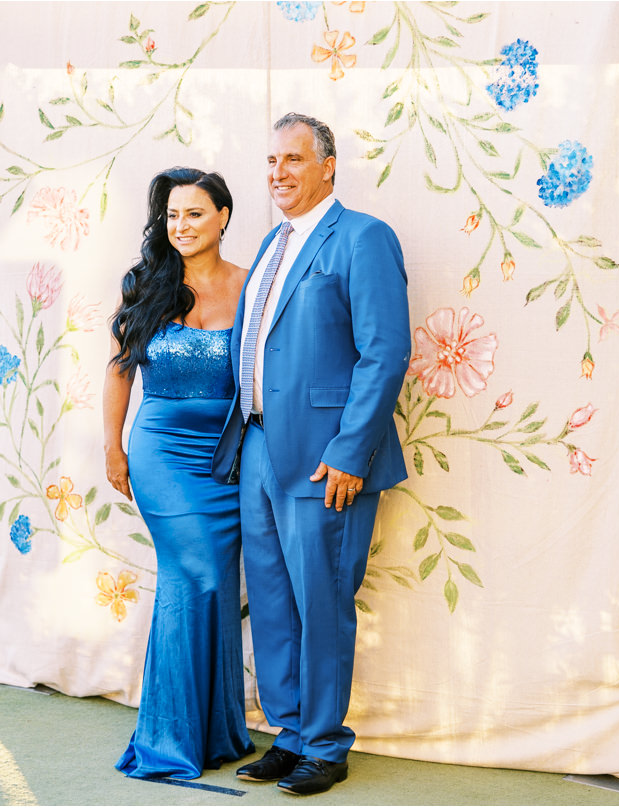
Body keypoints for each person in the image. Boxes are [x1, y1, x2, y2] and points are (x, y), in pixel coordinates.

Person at [211, 113, 411, 796]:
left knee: (321, 598)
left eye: (293, 160)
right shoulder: (273, 240)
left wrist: (352, 451)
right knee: (269, 598)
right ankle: (290, 731)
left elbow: (385, 352)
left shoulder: (362, 237)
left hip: (326, 457)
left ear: (327, 165)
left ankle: (325, 744)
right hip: (261, 445)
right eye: (270, 161)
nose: (278, 173)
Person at [104, 167, 255, 779]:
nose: (180, 226)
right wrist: (111, 448)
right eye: (171, 215)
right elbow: (119, 370)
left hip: (226, 457)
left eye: (194, 213)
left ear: (222, 216)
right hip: (162, 451)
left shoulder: (252, 287)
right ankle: (168, 740)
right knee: (190, 574)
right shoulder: (146, 285)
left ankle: (217, 735)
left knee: (217, 582)